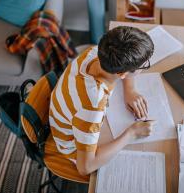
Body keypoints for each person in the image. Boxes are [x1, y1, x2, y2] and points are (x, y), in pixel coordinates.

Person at [49, 26, 155, 176]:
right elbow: (85, 167)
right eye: (144, 66)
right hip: (73, 147)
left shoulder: (94, 53)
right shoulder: (91, 107)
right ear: (122, 73)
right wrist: (131, 133)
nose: (145, 67)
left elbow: (123, 71)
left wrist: (129, 90)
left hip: (73, 117)